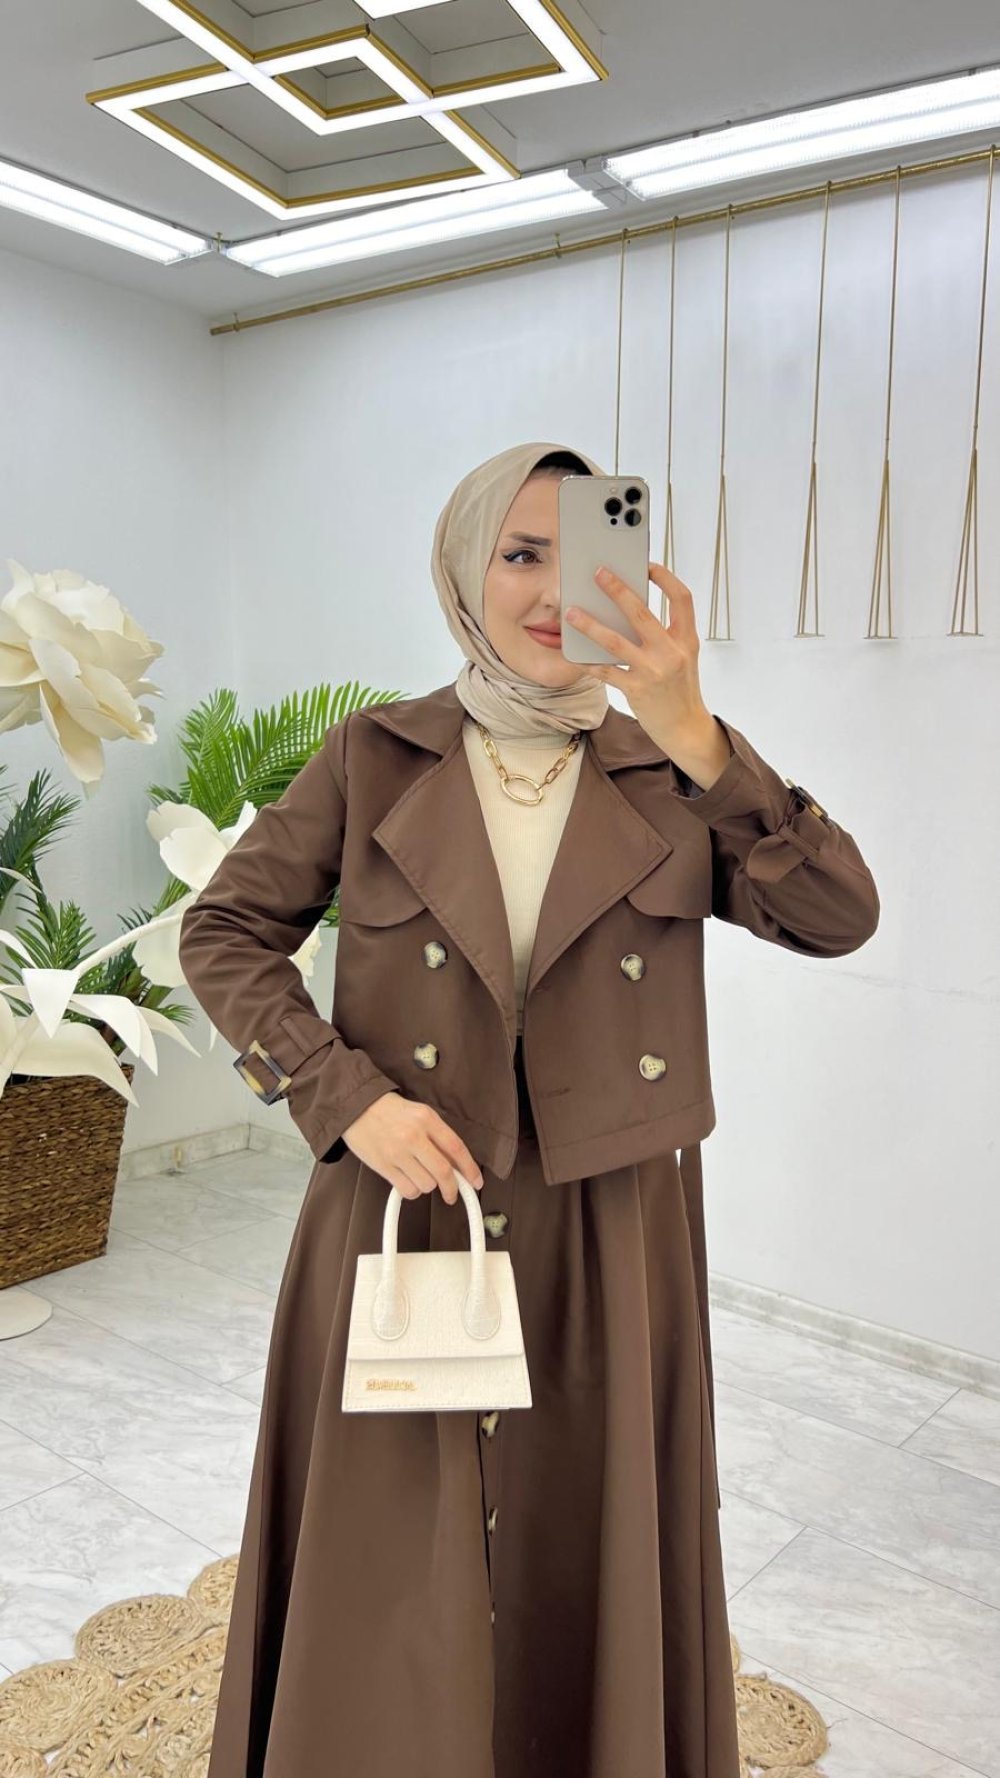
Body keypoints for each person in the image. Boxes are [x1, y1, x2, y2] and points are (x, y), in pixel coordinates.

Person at [179, 439, 879, 1778]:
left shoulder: (674, 777)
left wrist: (696, 731)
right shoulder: (373, 758)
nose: (557, 592)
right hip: (406, 1204)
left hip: (608, 1225)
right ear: (464, 569)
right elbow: (224, 932)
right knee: (391, 1549)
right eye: (521, 553)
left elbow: (839, 914)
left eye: (587, 552)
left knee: (585, 1542)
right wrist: (345, 1098)